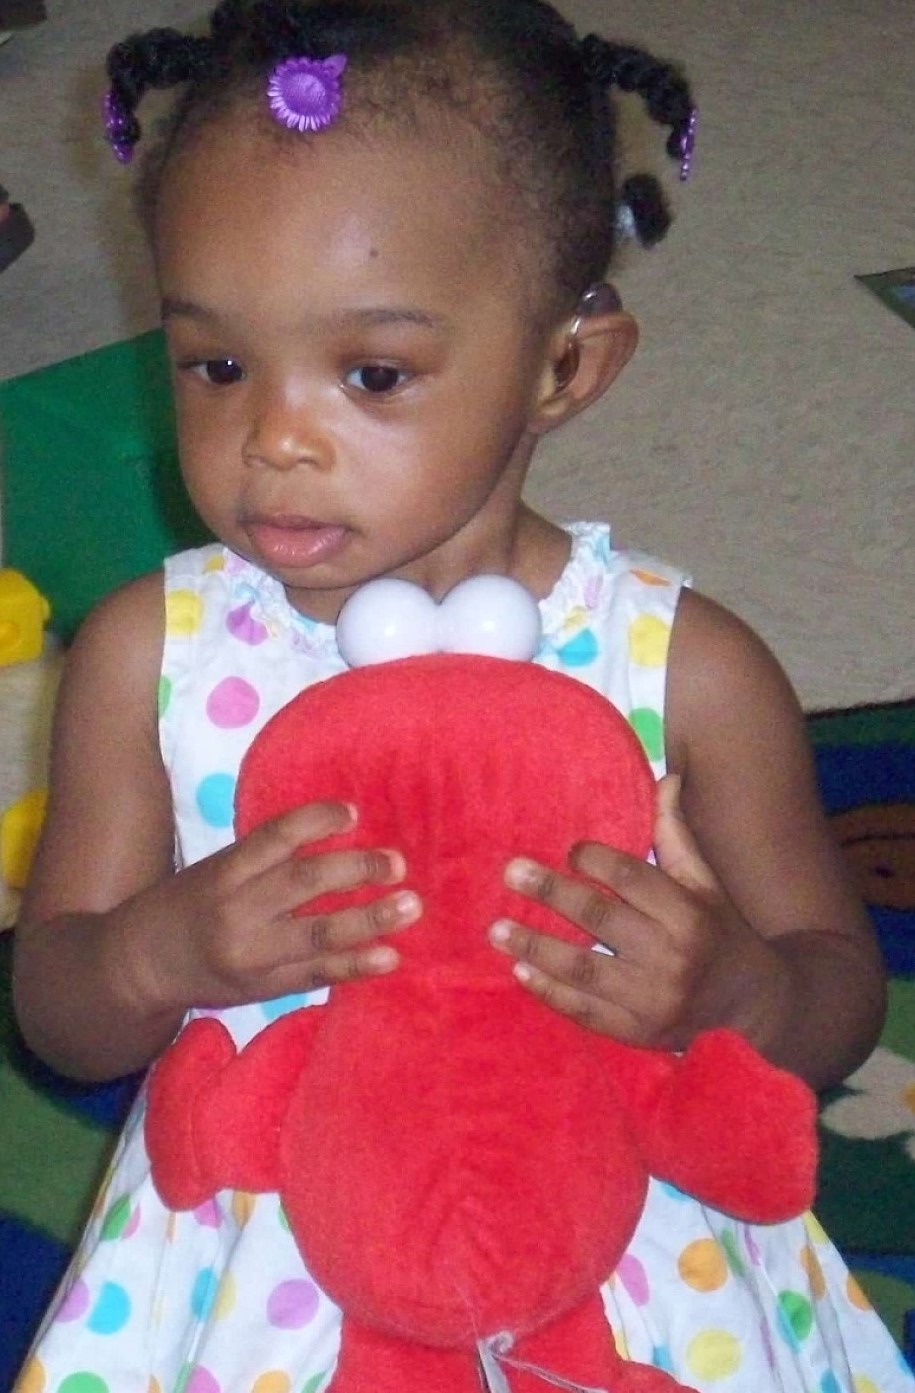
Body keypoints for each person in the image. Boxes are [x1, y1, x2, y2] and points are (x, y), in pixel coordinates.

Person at [10, 1, 913, 1389]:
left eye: (372, 372)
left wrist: (732, 985)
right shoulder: (151, 653)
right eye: (215, 364)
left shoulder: (688, 670)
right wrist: (156, 952)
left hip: (625, 1254)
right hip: (261, 1262)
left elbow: (842, 989)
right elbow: (56, 1000)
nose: (275, 439)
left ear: (568, 365)